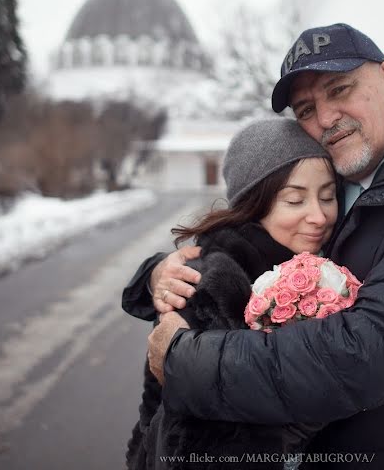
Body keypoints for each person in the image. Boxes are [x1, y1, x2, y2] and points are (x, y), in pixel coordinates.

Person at [127, 23, 384, 469]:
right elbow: (248, 245)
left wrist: (184, 360)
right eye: (307, 108)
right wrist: (163, 274)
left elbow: (369, 353)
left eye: (340, 88)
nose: (326, 118)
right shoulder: (338, 182)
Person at [124, 118, 337, 469]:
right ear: (255, 204)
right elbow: (193, 445)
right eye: (295, 200)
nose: (319, 215)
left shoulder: (321, 266)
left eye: (328, 196)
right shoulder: (212, 289)